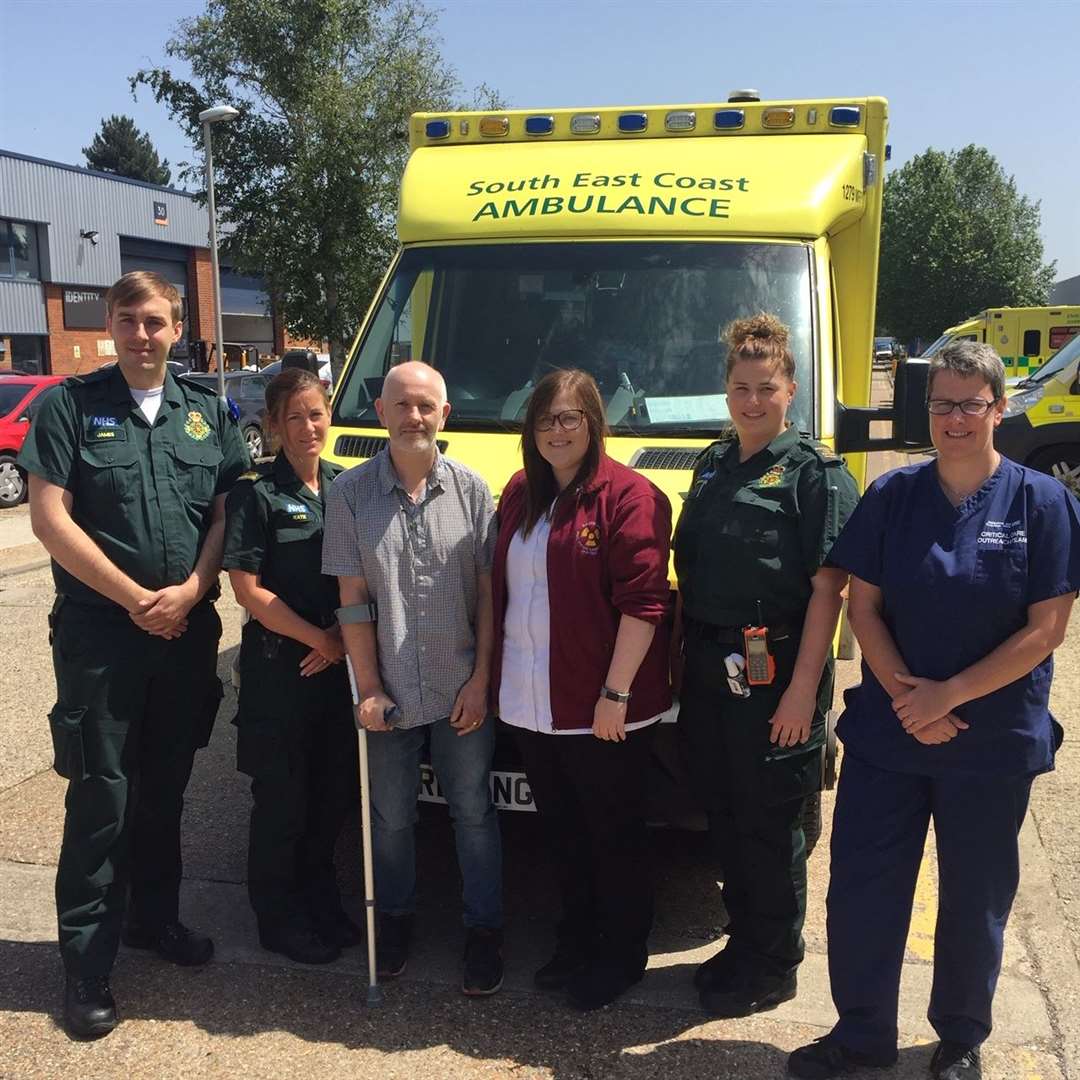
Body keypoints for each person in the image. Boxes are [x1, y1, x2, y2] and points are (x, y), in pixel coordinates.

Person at [788, 341, 1080, 1080]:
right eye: (942, 404)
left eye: (970, 404)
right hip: (892, 736)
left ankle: (959, 1039)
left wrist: (949, 696)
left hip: (989, 741)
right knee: (862, 890)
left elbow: (1046, 629)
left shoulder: (1044, 503)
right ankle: (861, 1037)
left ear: (999, 408)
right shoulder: (895, 496)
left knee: (974, 899)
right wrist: (906, 697)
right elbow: (865, 603)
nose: (955, 418)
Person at [19, 271, 249, 1038]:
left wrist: (190, 590)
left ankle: (156, 920)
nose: (142, 335)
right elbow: (50, 520)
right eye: (128, 321)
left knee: (166, 790)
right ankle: (86, 964)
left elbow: (224, 512)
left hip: (184, 635)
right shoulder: (69, 409)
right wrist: (134, 599)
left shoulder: (207, 414)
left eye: (155, 321)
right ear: (110, 327)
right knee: (101, 799)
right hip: (102, 642)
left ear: (177, 326)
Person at [672, 313, 859, 1019]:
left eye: (767, 388)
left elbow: (828, 590)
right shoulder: (714, 463)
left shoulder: (817, 475)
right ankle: (742, 941)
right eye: (740, 388)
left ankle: (774, 962)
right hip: (710, 665)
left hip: (776, 669)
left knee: (771, 822)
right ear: (726, 392)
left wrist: (801, 694)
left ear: (792, 390)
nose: (753, 401)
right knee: (722, 810)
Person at [490, 368, 672, 1011]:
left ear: (595, 423)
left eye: (570, 418)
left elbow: (644, 605)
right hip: (529, 702)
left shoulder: (631, 496)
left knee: (614, 834)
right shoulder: (519, 492)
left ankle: (621, 956)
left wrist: (615, 695)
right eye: (545, 419)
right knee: (562, 832)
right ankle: (576, 939)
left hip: (601, 708)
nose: (557, 431)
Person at [322, 360, 503, 996]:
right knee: (391, 819)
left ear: (444, 415)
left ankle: (485, 931)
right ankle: (394, 922)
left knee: (473, 815)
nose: (414, 416)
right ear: (381, 413)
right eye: (402, 405)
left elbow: (489, 598)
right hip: (390, 691)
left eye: (426, 405)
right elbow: (352, 600)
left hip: (461, 690)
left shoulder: (476, 492)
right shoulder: (346, 495)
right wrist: (368, 687)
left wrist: (482, 681)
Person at [223, 368, 360, 965]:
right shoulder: (258, 492)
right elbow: (247, 591)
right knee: (282, 801)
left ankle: (320, 900)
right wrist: (320, 639)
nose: (309, 426)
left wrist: (343, 641)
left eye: (318, 413)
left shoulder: (346, 486)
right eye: (295, 416)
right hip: (282, 672)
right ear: (274, 424)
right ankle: (276, 919)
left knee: (331, 796)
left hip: (335, 672)